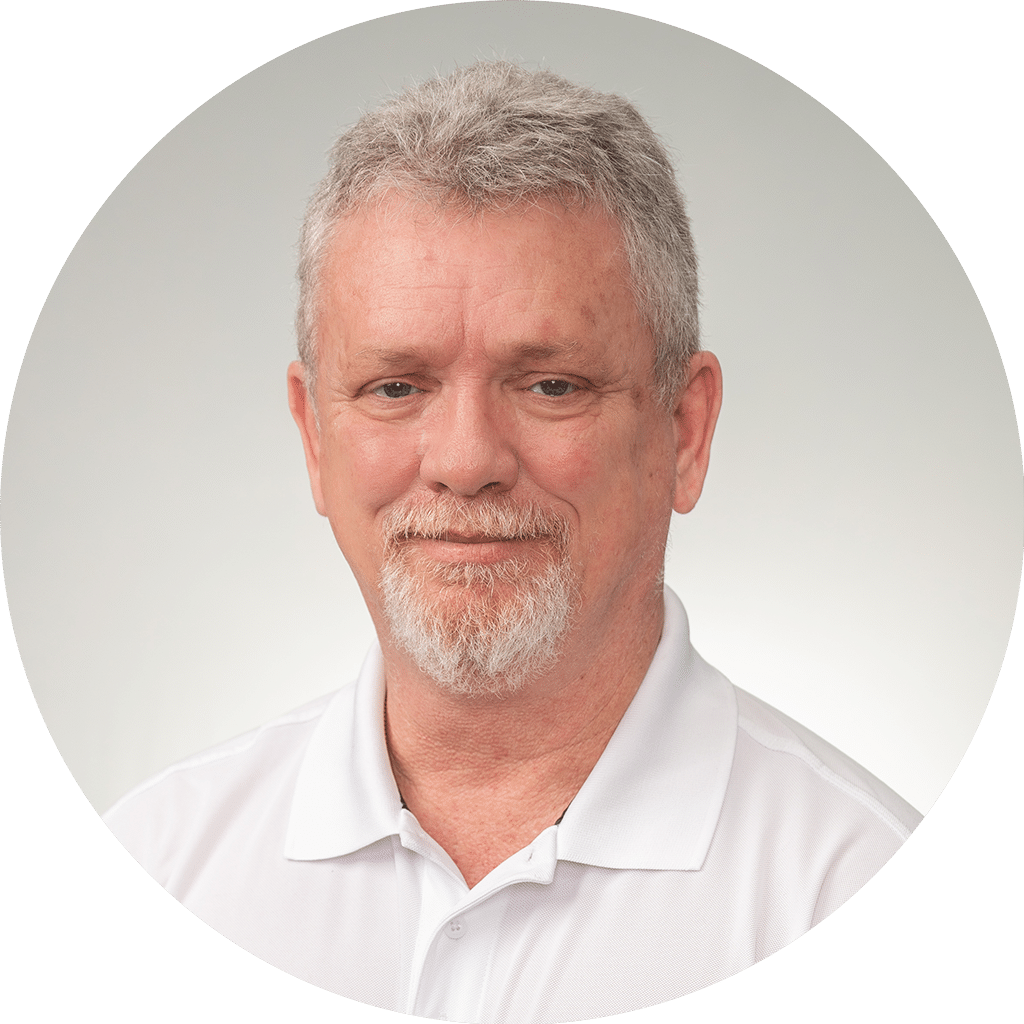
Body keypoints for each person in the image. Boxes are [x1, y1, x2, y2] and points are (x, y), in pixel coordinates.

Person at [105, 62, 921, 1022]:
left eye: (551, 386)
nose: (464, 461)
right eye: (396, 387)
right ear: (314, 439)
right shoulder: (157, 869)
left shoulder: (861, 896)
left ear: (684, 430)